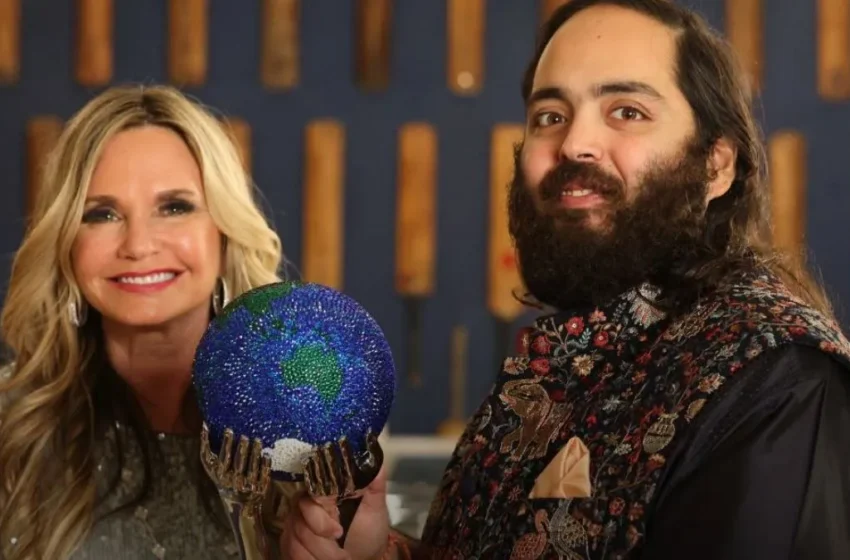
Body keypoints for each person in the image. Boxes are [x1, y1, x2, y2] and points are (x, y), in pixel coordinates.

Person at [282, 1, 850, 559]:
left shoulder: (777, 383)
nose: (574, 144)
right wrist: (377, 554)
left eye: (627, 111)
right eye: (550, 117)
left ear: (716, 165)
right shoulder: (568, 356)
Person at [0, 85, 284, 559]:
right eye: (102, 214)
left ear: (225, 235)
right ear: (66, 243)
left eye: (174, 207)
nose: (138, 245)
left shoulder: (303, 417)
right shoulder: (12, 424)